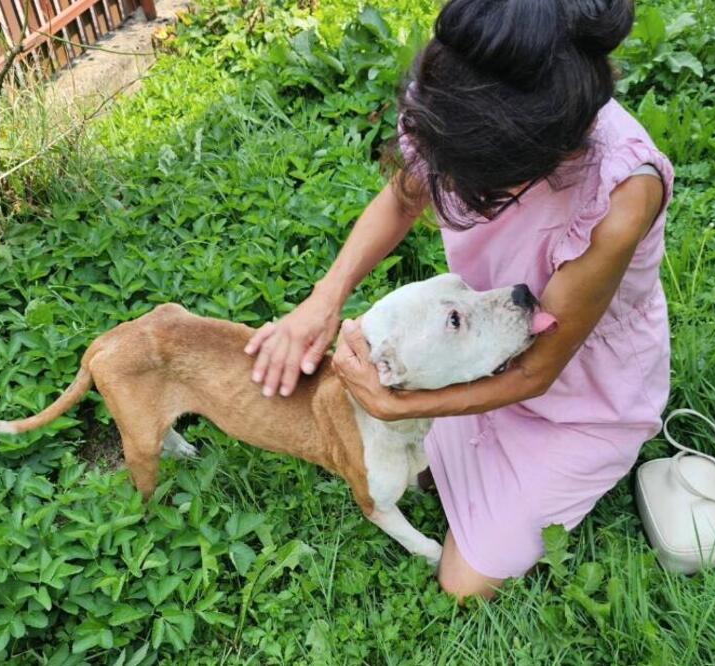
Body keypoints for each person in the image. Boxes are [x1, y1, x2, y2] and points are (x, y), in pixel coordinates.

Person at [245, 0, 672, 600]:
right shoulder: (458, 103)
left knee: (464, 583)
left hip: (573, 389)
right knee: (411, 455)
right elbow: (400, 199)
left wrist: (398, 409)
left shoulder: (621, 193)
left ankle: (573, 461)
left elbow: (537, 370)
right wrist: (324, 298)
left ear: (533, 158)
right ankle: (464, 457)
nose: (447, 186)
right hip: (473, 342)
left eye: (473, 183)